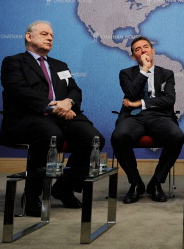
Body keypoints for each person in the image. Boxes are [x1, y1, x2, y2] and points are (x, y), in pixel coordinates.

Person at [0, 21, 105, 217]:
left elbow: (75, 89)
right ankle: (32, 196)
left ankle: (64, 187)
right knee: (50, 136)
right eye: (44, 34)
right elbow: (19, 91)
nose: (50, 38)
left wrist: (69, 102)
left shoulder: (60, 65)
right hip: (30, 117)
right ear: (29, 37)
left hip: (65, 117)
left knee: (94, 140)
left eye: (52, 35)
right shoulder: (13, 62)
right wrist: (56, 107)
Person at [111, 36, 184, 203]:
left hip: (159, 116)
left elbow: (169, 99)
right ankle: (136, 183)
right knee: (118, 136)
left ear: (153, 50)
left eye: (146, 47)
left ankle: (156, 183)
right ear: (133, 56)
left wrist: (140, 102)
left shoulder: (166, 74)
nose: (143, 50)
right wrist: (144, 70)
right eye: (138, 49)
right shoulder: (126, 74)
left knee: (177, 136)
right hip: (133, 117)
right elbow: (130, 93)